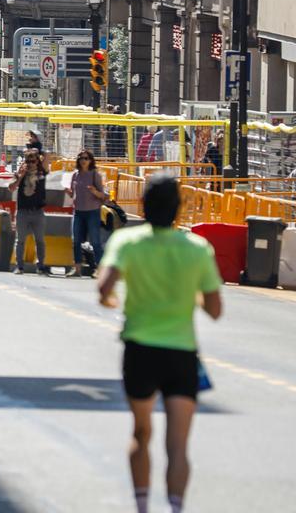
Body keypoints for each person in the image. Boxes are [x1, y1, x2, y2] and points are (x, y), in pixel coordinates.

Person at [97, 175, 223, 513]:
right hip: (182, 354)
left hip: (139, 349)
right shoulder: (197, 248)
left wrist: (114, 303)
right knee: (178, 445)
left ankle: (141, 506)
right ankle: (176, 507)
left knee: (141, 433)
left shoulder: (127, 242)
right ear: (178, 209)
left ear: (143, 206)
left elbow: (104, 290)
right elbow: (214, 309)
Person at [67, 150, 107, 278]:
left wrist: (94, 191)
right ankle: (77, 269)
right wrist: (68, 192)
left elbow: (103, 196)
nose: (83, 160)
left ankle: (99, 270)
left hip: (92, 212)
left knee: (95, 241)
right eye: (81, 158)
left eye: (86, 158)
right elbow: (73, 194)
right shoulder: (75, 175)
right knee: (76, 241)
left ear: (91, 160)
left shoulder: (95, 175)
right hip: (78, 211)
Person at [12, 148, 49, 275]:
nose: (31, 163)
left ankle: (41, 266)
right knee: (20, 240)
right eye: (28, 161)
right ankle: (19, 266)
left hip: (37, 211)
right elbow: (11, 188)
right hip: (23, 211)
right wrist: (20, 176)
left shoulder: (41, 173)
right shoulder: (20, 174)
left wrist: (36, 149)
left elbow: (47, 155)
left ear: (37, 161)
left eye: (33, 161)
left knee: (40, 240)